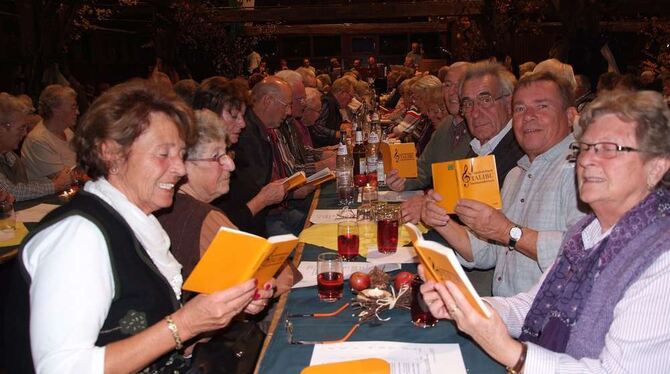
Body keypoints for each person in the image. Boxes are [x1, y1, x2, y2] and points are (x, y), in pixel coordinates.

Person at [4, 80, 274, 373]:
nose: (180, 169)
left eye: (181, 155)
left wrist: (221, 311)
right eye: (163, 154)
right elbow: (62, 367)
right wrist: (185, 324)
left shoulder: (140, 222)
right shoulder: (79, 236)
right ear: (111, 154)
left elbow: (156, 338)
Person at [420, 89, 670, 373]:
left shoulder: (661, 259)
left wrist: (511, 352)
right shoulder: (587, 231)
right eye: (584, 148)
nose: (587, 161)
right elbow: (532, 305)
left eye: (609, 149)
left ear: (657, 166)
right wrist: (464, 306)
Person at [422, 71, 586, 297]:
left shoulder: (584, 169)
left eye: (542, 106)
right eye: (520, 109)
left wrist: (508, 231)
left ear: (570, 116)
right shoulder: (516, 175)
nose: (528, 116)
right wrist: (441, 222)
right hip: (505, 311)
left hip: (548, 321)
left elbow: (585, 249)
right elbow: (490, 251)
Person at [157, 109, 300, 297]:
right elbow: (265, 283)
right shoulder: (204, 218)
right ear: (184, 165)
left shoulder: (163, 207)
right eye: (217, 157)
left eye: (227, 154)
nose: (230, 166)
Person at [216, 77, 290, 237]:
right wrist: (263, 199)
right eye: (235, 116)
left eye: (243, 116)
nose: (242, 124)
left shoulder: (245, 139)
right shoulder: (246, 140)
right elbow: (226, 229)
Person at [0, 92, 72, 201]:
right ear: (3, 128)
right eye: (21, 128)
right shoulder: (37, 140)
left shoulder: (11, 157)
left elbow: (24, 188)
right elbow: (11, 191)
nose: (25, 133)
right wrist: (55, 185)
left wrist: (55, 183)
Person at [21, 84, 79, 180]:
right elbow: (64, 180)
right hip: (53, 194)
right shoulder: (38, 140)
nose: (77, 112)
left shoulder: (67, 131)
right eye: (73, 107)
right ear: (56, 109)